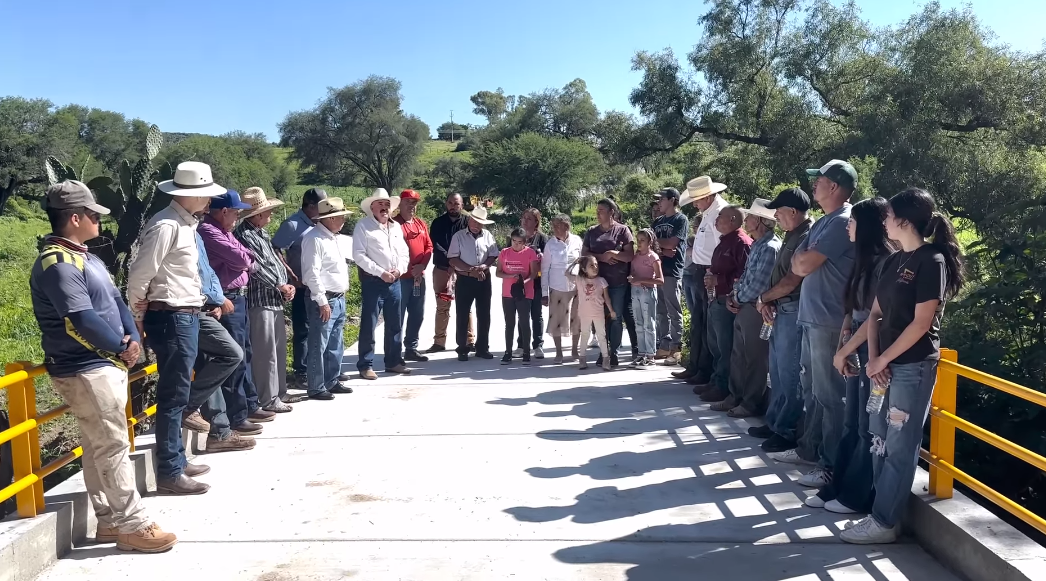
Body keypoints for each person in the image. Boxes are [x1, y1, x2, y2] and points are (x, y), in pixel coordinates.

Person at [30, 180, 176, 552]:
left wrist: (132, 338)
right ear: (75, 218)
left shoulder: (86, 257)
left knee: (100, 446)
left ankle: (110, 521)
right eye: (93, 214)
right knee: (111, 445)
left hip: (102, 363)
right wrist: (120, 347)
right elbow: (78, 319)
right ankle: (132, 524)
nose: (98, 220)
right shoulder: (57, 263)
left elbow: (115, 301)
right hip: (84, 366)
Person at [838, 188, 965, 544]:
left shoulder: (932, 260)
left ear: (905, 221)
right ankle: (880, 514)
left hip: (912, 366)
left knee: (899, 443)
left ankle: (884, 520)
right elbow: (875, 315)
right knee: (878, 437)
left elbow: (921, 324)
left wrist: (883, 359)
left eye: (889, 215)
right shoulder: (895, 261)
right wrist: (873, 359)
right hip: (886, 365)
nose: (885, 221)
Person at [127, 161, 225, 495]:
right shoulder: (167, 225)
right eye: (204, 194)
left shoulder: (184, 224)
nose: (208, 200)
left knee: (178, 391)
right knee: (173, 395)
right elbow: (140, 274)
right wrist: (137, 316)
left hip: (185, 313)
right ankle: (170, 469)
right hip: (172, 315)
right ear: (188, 195)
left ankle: (176, 462)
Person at [768, 160, 857, 490]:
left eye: (818, 180)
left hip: (828, 321)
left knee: (831, 396)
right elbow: (799, 261)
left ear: (834, 186)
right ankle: (811, 450)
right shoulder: (825, 221)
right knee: (815, 392)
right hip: (814, 318)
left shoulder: (841, 222)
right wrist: (801, 257)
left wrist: (801, 256)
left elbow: (803, 263)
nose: (813, 185)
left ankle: (831, 465)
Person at [806, 197, 893, 514]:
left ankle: (856, 495)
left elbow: (874, 316)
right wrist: (844, 340)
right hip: (855, 341)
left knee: (867, 428)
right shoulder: (862, 259)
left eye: (853, 222)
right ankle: (837, 487)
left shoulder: (886, 262)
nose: (848, 227)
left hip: (872, 345)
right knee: (851, 423)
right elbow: (850, 308)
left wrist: (845, 349)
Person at [198, 190, 275, 430]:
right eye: (235, 212)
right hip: (226, 299)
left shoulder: (224, 231)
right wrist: (244, 261)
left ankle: (249, 404)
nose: (237, 217)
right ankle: (237, 414)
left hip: (237, 298)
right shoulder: (209, 231)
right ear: (223, 212)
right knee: (235, 356)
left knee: (246, 352)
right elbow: (243, 260)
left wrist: (244, 259)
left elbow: (246, 256)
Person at [751, 188, 813, 453]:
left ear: (793, 212)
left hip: (794, 310)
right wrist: (769, 301)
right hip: (781, 309)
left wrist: (764, 297)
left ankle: (786, 430)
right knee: (776, 371)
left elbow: (792, 280)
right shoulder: (792, 235)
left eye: (779, 211)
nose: (775, 215)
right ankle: (775, 421)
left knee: (788, 374)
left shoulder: (806, 236)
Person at [710, 200, 780, 417]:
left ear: (759, 221)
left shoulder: (769, 247)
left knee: (754, 359)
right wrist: (734, 295)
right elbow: (745, 278)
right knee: (738, 355)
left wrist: (736, 298)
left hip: (756, 309)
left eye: (749, 217)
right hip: (745, 305)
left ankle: (749, 403)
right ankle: (735, 396)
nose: (746, 220)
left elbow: (758, 284)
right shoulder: (759, 244)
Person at [188, 231, 257, 451]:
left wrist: (216, 299)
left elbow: (207, 273)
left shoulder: (194, 232)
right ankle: (191, 408)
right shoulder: (177, 228)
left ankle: (219, 431)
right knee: (227, 356)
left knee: (216, 364)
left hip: (205, 306)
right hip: (185, 311)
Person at [234, 187, 296, 413]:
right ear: (257, 215)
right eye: (268, 212)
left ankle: (279, 392)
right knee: (265, 352)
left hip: (273, 298)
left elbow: (274, 263)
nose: (270, 216)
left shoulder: (261, 233)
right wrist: (280, 284)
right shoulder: (246, 235)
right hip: (259, 299)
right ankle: (268, 397)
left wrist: (285, 284)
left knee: (277, 349)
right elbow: (257, 267)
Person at [674, 176, 729, 386]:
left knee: (708, 325)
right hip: (700, 271)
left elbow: (720, 249)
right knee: (699, 322)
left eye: (697, 199)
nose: (695, 204)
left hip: (708, 273)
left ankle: (706, 373)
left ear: (707, 196)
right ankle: (696, 367)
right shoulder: (708, 212)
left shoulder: (719, 213)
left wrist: (711, 274)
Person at [272, 187, 328, 387]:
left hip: (320, 286)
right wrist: (291, 273)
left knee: (321, 328)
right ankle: (301, 372)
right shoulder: (293, 224)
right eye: (322, 206)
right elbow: (275, 248)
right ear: (311, 206)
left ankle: (321, 369)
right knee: (303, 329)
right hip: (302, 285)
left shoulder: (320, 223)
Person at [352, 188, 412, 380]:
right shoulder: (363, 226)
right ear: (372, 207)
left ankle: (393, 361)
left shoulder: (395, 227)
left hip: (394, 281)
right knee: (369, 324)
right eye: (380, 204)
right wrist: (381, 272)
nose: (384, 207)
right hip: (373, 281)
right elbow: (358, 255)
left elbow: (404, 253)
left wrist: (398, 270)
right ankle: (365, 365)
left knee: (395, 323)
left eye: (387, 204)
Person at [300, 197, 354, 399]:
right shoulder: (314, 238)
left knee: (335, 343)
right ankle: (316, 386)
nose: (343, 220)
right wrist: (321, 301)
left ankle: (331, 380)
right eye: (340, 216)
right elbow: (311, 274)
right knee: (318, 344)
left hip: (337, 297)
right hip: (325, 299)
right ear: (329, 219)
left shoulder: (332, 237)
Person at [701, 206, 752, 403]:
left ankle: (724, 388)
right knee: (716, 345)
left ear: (732, 219)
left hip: (728, 301)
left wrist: (719, 280)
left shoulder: (741, 243)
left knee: (726, 347)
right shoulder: (724, 241)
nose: (716, 220)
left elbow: (743, 276)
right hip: (717, 299)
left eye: (720, 217)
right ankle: (716, 381)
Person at [581, 198, 634, 368]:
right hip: (596, 283)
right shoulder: (591, 232)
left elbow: (629, 256)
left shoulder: (623, 231)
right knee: (600, 318)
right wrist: (602, 257)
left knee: (616, 317)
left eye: (601, 210)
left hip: (618, 282)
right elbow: (584, 254)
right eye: (597, 210)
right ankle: (604, 352)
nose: (598, 213)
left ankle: (614, 353)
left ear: (612, 212)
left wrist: (613, 254)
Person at [447, 206, 500, 362]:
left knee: (484, 314)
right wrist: (470, 269)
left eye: (480, 222)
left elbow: (493, 255)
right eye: (475, 221)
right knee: (462, 313)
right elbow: (453, 258)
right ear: (469, 220)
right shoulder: (458, 236)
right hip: (465, 278)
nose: (477, 225)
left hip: (483, 278)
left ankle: (482, 347)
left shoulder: (488, 236)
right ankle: (462, 348)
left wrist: (483, 266)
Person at [426, 193, 474, 353]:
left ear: (462, 205)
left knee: (465, 306)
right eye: (450, 203)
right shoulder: (438, 223)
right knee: (442, 306)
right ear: (446, 204)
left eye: (457, 203)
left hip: (463, 271)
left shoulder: (468, 223)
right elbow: (435, 244)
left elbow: (470, 245)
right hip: (442, 269)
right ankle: (439, 342)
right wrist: (451, 261)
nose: (453, 206)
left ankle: (469, 341)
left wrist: (458, 263)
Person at [393, 189, 433, 362]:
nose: (411, 206)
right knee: (397, 316)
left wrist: (422, 265)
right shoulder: (393, 224)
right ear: (400, 203)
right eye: (408, 202)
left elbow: (429, 247)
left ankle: (411, 348)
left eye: (414, 203)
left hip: (418, 277)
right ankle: (394, 352)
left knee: (417, 314)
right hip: (401, 279)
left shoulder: (420, 224)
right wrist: (410, 269)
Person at [650, 188, 689, 365]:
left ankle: (676, 348)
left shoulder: (681, 219)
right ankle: (664, 346)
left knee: (674, 310)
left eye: (662, 199)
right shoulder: (657, 221)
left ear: (673, 200)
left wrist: (661, 246)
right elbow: (648, 245)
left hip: (672, 271)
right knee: (661, 311)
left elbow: (674, 243)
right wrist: (663, 249)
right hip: (656, 271)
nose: (659, 203)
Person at [541, 214, 583, 363]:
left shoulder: (577, 240)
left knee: (576, 319)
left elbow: (583, 262)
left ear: (566, 226)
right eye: (553, 226)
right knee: (556, 321)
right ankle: (559, 353)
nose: (554, 229)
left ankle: (574, 350)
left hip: (575, 287)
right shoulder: (550, 245)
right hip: (556, 287)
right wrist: (544, 293)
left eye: (557, 226)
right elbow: (545, 269)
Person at [497, 228, 540, 365]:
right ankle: (508, 352)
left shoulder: (530, 253)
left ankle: (526, 352)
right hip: (508, 292)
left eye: (519, 242)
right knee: (509, 323)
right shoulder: (504, 252)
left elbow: (533, 273)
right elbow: (498, 272)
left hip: (525, 292)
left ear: (524, 242)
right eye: (513, 241)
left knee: (524, 322)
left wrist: (523, 282)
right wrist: (510, 276)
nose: (516, 244)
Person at [627, 228, 664, 367]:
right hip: (635, 291)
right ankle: (641, 353)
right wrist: (632, 278)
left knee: (649, 324)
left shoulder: (653, 257)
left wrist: (642, 280)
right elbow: (633, 273)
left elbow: (660, 280)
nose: (639, 243)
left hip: (647, 292)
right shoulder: (635, 257)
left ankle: (650, 355)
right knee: (638, 323)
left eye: (642, 240)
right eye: (638, 240)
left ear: (650, 241)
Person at [573, 255, 616, 371]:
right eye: (591, 265)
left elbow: (606, 298)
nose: (595, 267)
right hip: (584, 313)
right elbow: (566, 274)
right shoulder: (580, 279)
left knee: (601, 336)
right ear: (584, 269)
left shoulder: (602, 281)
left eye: (596, 264)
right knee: (585, 335)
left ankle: (606, 360)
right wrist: (575, 263)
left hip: (598, 312)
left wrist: (611, 310)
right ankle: (582, 359)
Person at [519, 208, 549, 359]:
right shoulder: (517, 236)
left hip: (536, 282)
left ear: (536, 221)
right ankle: (520, 345)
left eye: (529, 218)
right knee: (522, 314)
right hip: (521, 282)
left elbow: (547, 262)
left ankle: (538, 345)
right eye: (524, 218)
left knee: (536, 315)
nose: (525, 221)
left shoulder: (542, 239)